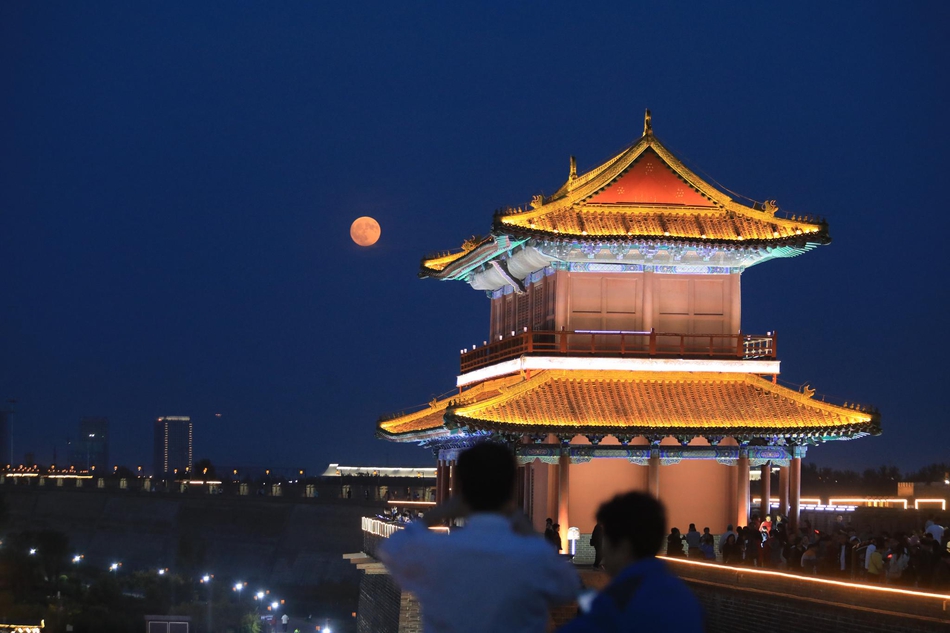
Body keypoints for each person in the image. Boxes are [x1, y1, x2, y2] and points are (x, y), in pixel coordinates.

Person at [379, 443, 579, 632]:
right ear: (511, 488)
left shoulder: (434, 551)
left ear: (462, 490)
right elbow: (570, 587)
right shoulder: (536, 556)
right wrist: (524, 524)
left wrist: (439, 512)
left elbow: (391, 548)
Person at [558, 492, 704, 632]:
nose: (605, 549)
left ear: (623, 547)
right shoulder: (687, 597)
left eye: (606, 540)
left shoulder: (616, 603)